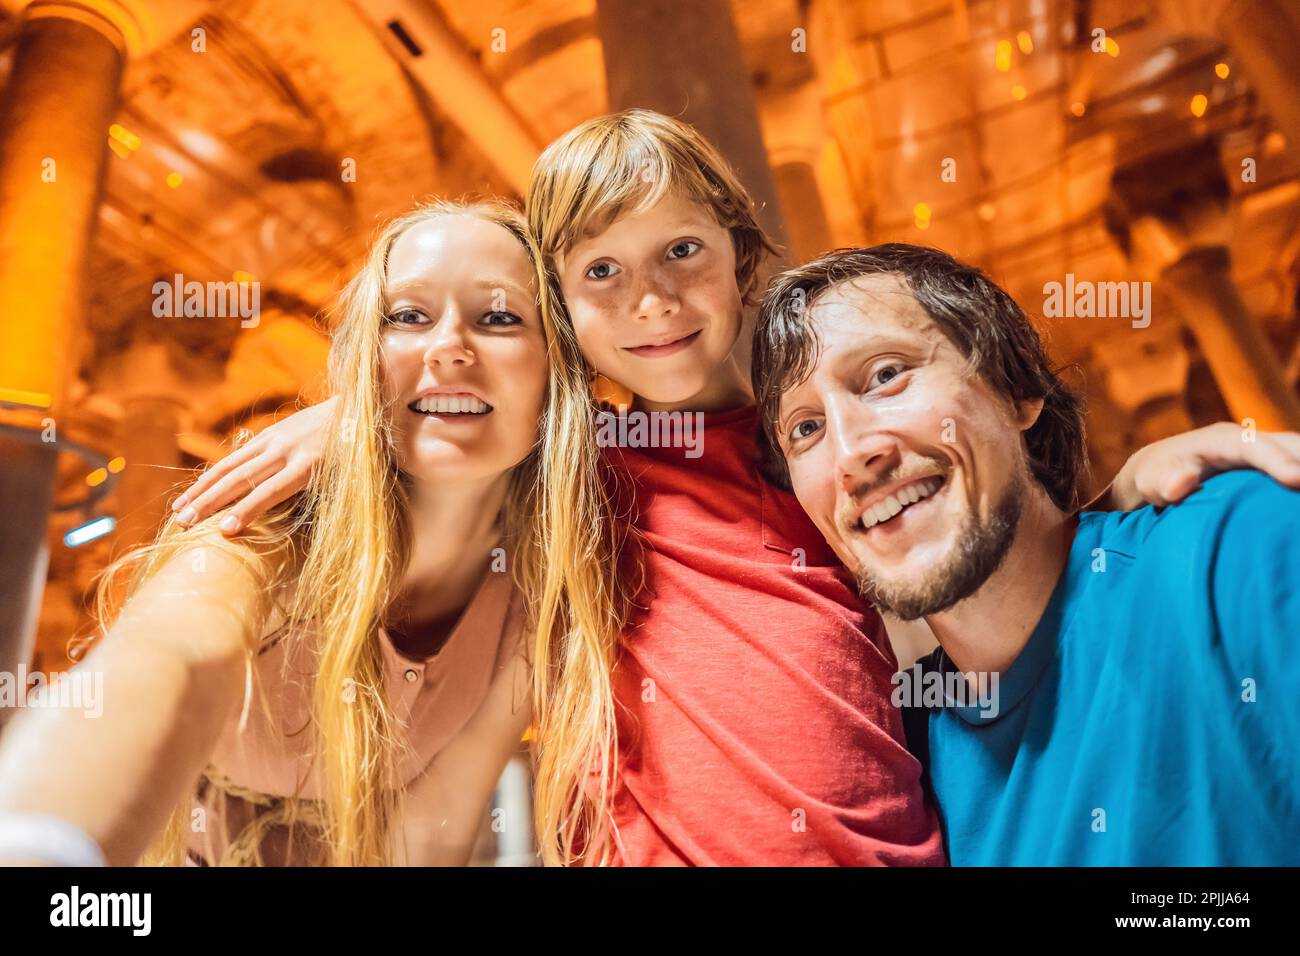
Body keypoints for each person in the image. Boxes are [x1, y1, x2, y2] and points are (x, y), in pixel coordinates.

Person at [167, 112, 1293, 867]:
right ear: (563, 318)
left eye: (681, 254)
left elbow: (985, 541)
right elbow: (465, 422)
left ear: (742, 256)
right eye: (600, 274)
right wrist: (368, 406)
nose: (651, 299)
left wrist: (1127, 484)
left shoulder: (806, 450)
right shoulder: (576, 470)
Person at [0, 199, 616, 866]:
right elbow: (170, 658)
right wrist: (41, 840)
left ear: (558, 372)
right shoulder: (274, 522)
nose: (447, 348)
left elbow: (439, 817)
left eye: (499, 317)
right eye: (408, 316)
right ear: (359, 367)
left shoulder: (538, 581)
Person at [754, 242, 1300, 865]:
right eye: (805, 428)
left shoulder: (1241, 552)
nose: (852, 452)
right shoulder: (884, 753)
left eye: (885, 375)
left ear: (1016, 391)